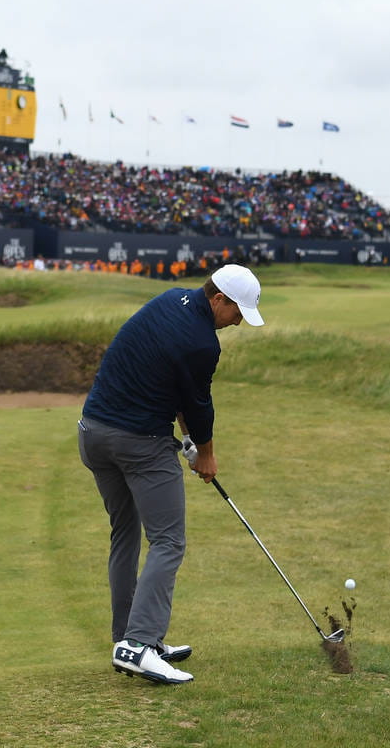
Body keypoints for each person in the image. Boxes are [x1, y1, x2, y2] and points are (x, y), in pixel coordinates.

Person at [78, 264, 265, 685]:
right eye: (237, 312)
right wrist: (207, 455)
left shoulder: (169, 300)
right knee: (168, 540)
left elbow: (173, 385)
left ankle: (128, 638)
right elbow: (198, 405)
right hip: (137, 443)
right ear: (218, 299)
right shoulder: (203, 343)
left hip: (93, 433)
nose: (238, 322)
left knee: (124, 534)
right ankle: (140, 645)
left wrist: (189, 440)